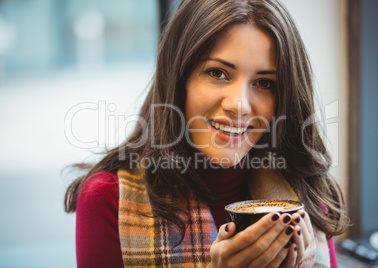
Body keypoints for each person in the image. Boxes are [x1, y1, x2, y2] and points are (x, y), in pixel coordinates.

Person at [64, 0, 349, 267]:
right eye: (217, 73)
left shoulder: (306, 191)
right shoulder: (108, 197)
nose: (239, 105)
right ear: (178, 77)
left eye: (264, 83)